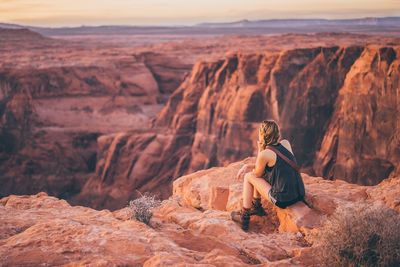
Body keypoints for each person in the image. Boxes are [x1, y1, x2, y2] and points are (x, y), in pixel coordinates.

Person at [231, 119, 306, 231]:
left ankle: (244, 217)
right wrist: (248, 165)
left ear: (262, 135)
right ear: (277, 133)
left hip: (283, 199)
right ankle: (256, 207)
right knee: (259, 174)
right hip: (299, 193)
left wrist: (260, 149)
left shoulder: (265, 154)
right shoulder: (286, 143)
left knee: (249, 177)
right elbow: (275, 164)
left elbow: (257, 173)